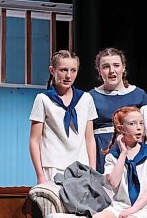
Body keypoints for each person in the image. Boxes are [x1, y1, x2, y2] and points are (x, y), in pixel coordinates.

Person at [29, 50, 97, 185]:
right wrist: (40, 175)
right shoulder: (43, 99)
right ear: (52, 70)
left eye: (73, 70)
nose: (68, 75)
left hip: (81, 166)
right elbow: (34, 140)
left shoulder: (86, 99)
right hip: (54, 166)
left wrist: (93, 171)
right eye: (63, 70)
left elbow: (90, 139)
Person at [89, 47, 147, 174]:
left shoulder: (139, 95)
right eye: (106, 67)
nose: (112, 71)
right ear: (99, 71)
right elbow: (87, 135)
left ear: (123, 68)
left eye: (116, 65)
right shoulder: (90, 97)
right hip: (101, 153)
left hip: (132, 151)